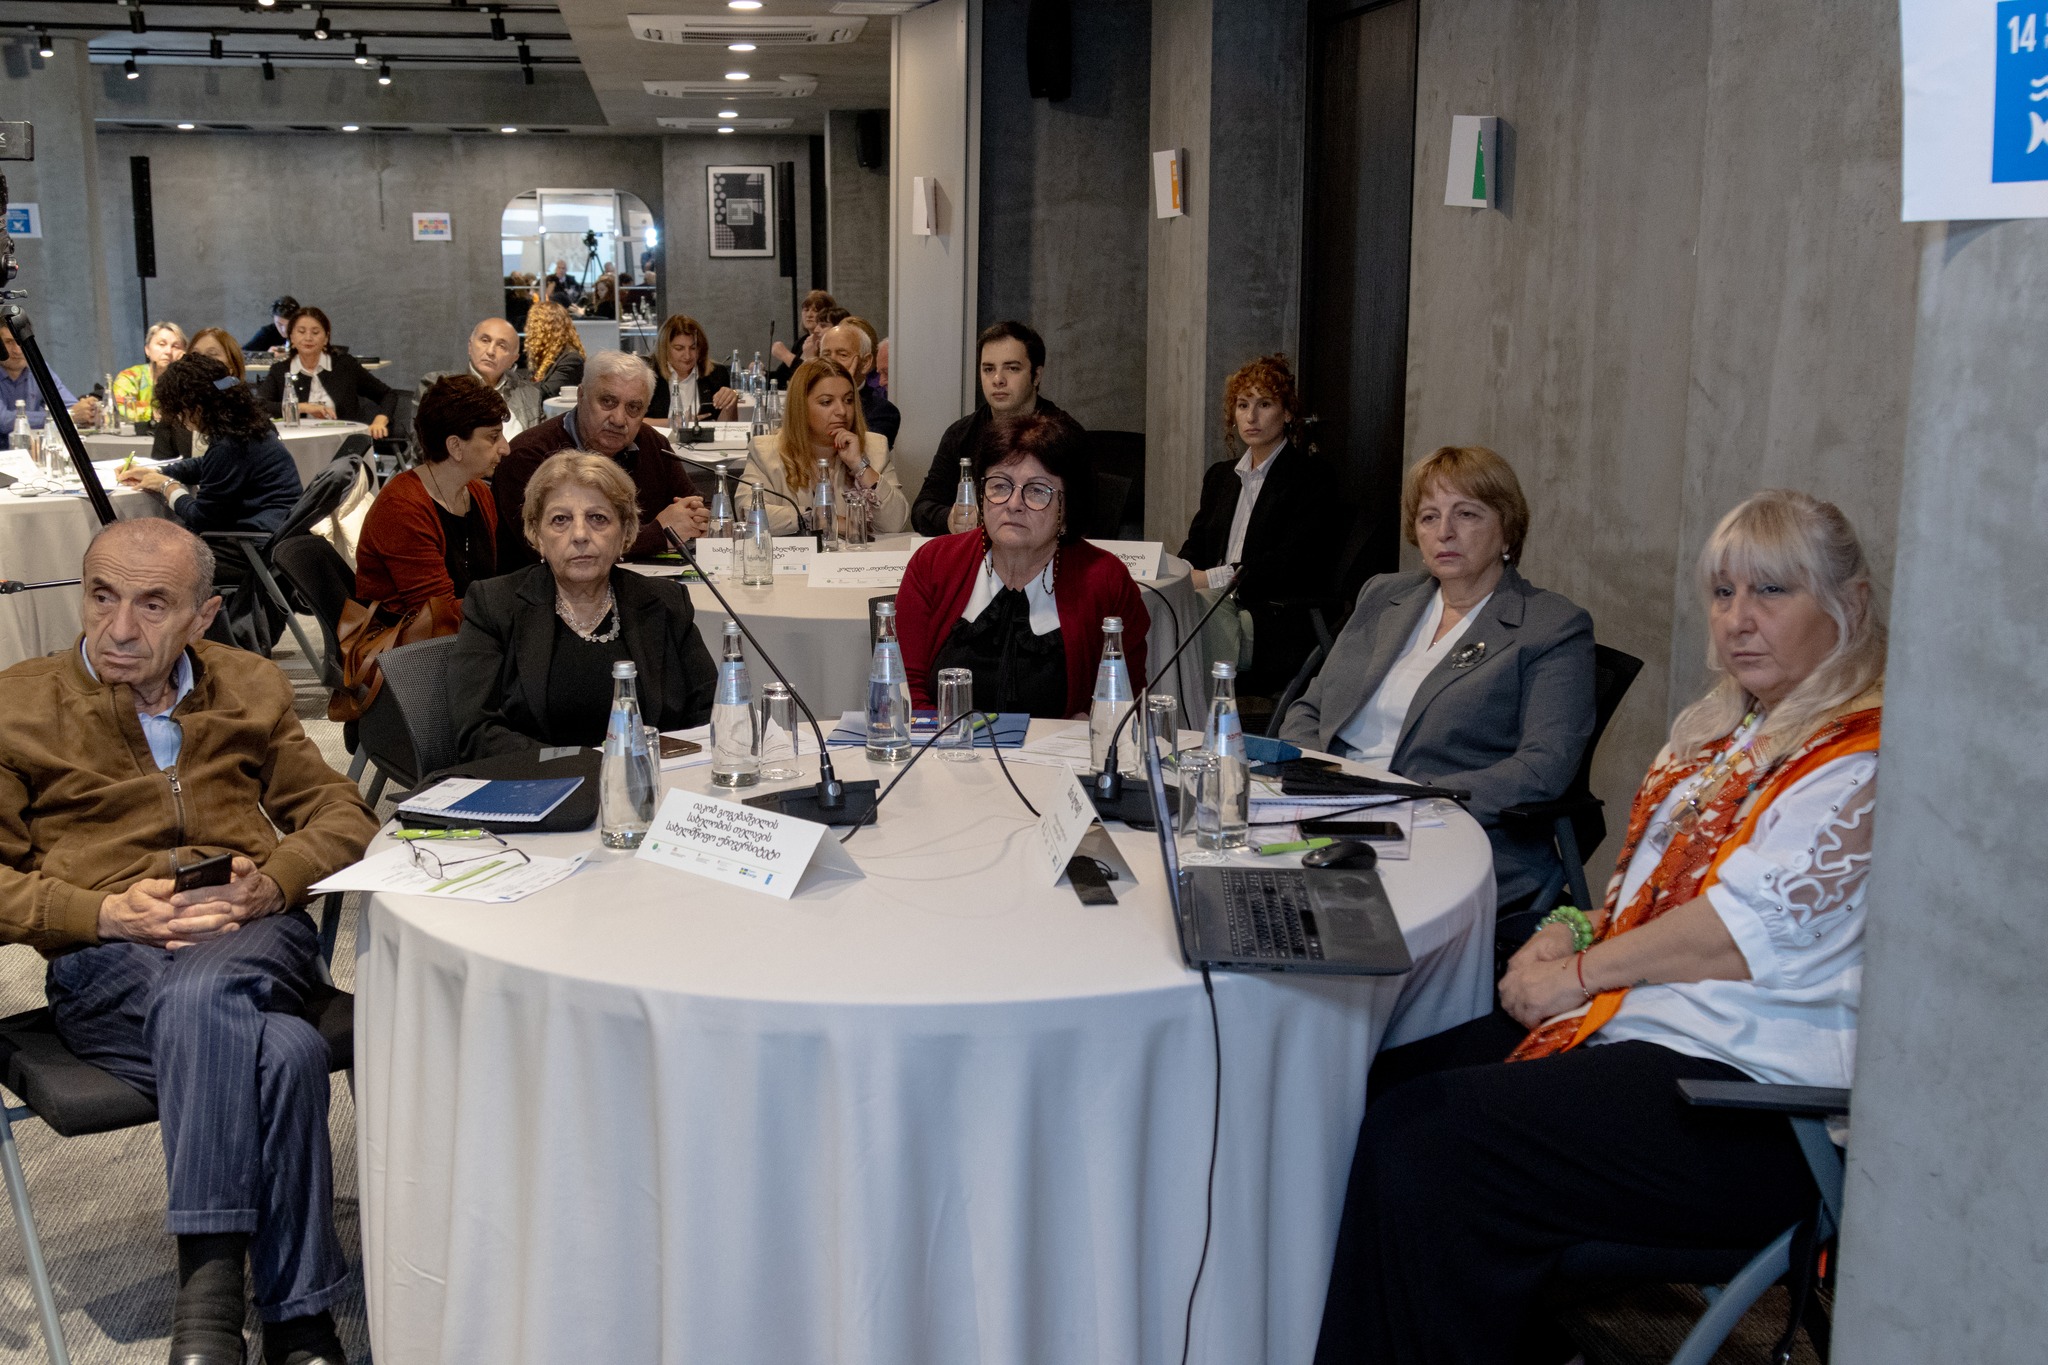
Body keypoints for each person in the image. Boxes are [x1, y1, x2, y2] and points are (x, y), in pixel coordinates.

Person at [1313, 490, 1886, 1365]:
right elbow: (1658, 895)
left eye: (1771, 591)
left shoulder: (1860, 759)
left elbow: (1731, 932)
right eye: (1723, 592)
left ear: (1848, 605)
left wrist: (1576, 975)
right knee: (1372, 1084)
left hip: (1751, 1100)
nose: (1738, 619)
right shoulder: (1732, 729)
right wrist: (1573, 929)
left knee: (1425, 1140)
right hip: (1640, 1025)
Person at [0, 517, 376, 1365]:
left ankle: (207, 1302)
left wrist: (272, 880)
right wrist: (104, 912)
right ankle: (300, 1322)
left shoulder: (247, 684)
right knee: (283, 1052)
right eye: (102, 596)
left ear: (203, 615)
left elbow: (340, 811)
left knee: (209, 987)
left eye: (152, 604)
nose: (119, 627)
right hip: (108, 962)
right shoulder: (16, 705)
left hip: (253, 934)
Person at [1279, 445, 1595, 910]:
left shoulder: (1551, 626)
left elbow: (1543, 766)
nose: (1444, 532)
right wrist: (1316, 779)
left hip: (1447, 830)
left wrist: (1412, 801)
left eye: (1466, 514)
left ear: (1507, 528)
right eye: (1429, 517)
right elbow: (1310, 708)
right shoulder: (1384, 594)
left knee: (1307, 914)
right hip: (1331, 810)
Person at [450, 451, 717, 757]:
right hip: (542, 781)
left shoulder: (666, 602)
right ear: (537, 534)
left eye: (597, 518)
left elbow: (710, 712)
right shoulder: (494, 605)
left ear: (625, 532)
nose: (580, 535)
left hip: (653, 777)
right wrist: (587, 766)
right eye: (560, 520)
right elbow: (477, 732)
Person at [897, 411, 1148, 718]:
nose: (1014, 504)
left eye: (1037, 490)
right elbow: (905, 691)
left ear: (1067, 508)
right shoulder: (933, 564)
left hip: (1060, 750)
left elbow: (1126, 705)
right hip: (948, 745)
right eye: (1000, 486)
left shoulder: (1106, 580)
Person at [1177, 354, 1344, 695]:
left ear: (1287, 413)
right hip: (1216, 602)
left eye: (1264, 404)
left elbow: (1290, 563)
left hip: (1271, 613)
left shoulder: (1311, 478)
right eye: (1243, 405)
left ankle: (1205, 716)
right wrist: (1179, 573)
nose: (1251, 417)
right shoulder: (1221, 477)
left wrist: (1213, 579)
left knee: (1197, 608)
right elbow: (1196, 545)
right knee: (1160, 602)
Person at [494, 348, 710, 569]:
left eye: (633, 408)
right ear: (581, 396)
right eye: (608, 402)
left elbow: (695, 505)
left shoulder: (652, 443)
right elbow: (548, 549)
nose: (619, 419)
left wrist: (696, 518)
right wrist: (658, 533)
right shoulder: (529, 455)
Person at [356, 375, 507, 621]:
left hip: (466, 632)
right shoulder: (402, 509)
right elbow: (439, 615)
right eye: (493, 437)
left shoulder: (478, 492)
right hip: (411, 641)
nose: (505, 447)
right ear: (455, 446)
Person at [910, 321, 1077, 536]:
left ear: (1036, 375)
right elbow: (923, 508)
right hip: (980, 549)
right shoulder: (961, 434)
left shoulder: (1065, 434)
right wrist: (951, 519)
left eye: (1012, 368)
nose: (998, 380)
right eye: (989, 369)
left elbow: (1084, 514)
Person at [119, 354, 304, 535]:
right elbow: (207, 464)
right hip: (278, 532)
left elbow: (201, 519)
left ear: (196, 410)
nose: (180, 420)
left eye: (179, 413)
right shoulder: (248, 429)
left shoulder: (229, 446)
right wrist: (159, 472)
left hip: (253, 542)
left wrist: (167, 486)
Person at [739, 358, 908, 538]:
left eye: (848, 400)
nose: (842, 411)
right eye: (827, 402)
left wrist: (859, 465)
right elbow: (749, 513)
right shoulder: (765, 451)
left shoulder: (874, 447)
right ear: (800, 407)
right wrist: (816, 519)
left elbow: (896, 523)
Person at [255, 307, 394, 439]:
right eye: (301, 332)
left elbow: (388, 395)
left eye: (315, 332)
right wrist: (302, 407)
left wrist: (380, 421)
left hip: (344, 441)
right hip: (295, 442)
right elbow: (259, 406)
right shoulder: (280, 370)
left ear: (326, 338)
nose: (308, 338)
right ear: (291, 337)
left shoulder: (345, 365)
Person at [414, 317, 542, 444]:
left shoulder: (530, 395)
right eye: (485, 340)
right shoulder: (438, 386)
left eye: (502, 346)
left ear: (513, 359)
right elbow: (424, 447)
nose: (490, 351)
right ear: (470, 346)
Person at [150, 328, 249, 461]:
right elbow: (161, 462)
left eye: (212, 355)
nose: (201, 362)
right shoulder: (176, 412)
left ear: (232, 367)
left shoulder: (246, 412)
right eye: (195, 355)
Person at [818, 316, 900, 449]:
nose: (831, 362)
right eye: (826, 355)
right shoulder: (808, 402)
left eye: (842, 355)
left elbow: (864, 452)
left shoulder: (883, 412)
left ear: (866, 362)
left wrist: (844, 388)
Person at [0, 319, 99, 428]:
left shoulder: (38, 367)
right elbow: (3, 420)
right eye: (9, 342)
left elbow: (69, 405)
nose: (17, 350)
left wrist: (87, 409)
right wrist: (66, 417)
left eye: (21, 341)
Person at [643, 313, 737, 428]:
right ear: (665, 348)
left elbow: (726, 427)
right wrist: (675, 422)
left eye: (693, 348)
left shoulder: (717, 374)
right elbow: (634, 421)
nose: (687, 356)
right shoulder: (647, 373)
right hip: (659, 439)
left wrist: (730, 404)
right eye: (679, 348)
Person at [112, 320, 187, 424]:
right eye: (162, 344)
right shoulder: (130, 376)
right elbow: (121, 408)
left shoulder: (187, 380)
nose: (168, 351)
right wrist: (158, 413)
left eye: (175, 346)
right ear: (147, 349)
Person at [769, 288, 837, 380]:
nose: (809, 315)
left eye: (815, 310)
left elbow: (814, 376)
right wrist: (761, 373)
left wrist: (786, 356)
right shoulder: (801, 342)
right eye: (806, 310)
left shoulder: (829, 344)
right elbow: (781, 377)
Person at [522, 301, 586, 399]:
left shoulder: (571, 359)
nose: (528, 331)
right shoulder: (543, 356)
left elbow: (546, 393)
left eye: (532, 327)